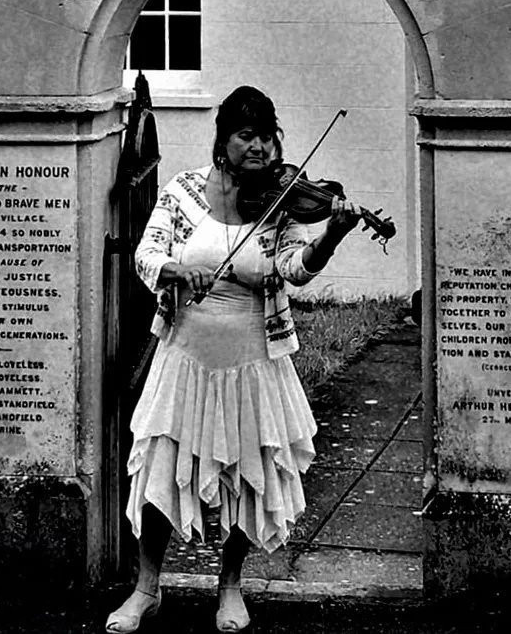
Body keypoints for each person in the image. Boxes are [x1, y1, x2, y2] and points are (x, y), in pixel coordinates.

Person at [105, 86, 361, 633]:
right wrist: (177, 271)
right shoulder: (183, 192)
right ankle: (146, 589)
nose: (260, 148)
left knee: (246, 474)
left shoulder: (278, 202)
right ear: (223, 139)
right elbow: (147, 254)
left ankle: (230, 588)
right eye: (247, 136)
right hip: (186, 355)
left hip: (253, 355)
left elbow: (293, 268)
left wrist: (331, 237)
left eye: (268, 136)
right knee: (161, 468)